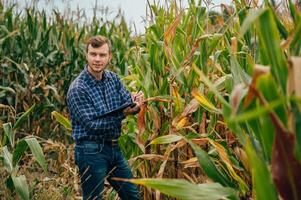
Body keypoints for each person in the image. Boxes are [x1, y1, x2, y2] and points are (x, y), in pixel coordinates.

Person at [67, 35, 143, 200]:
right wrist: (124, 113)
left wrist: (136, 104)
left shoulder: (113, 79)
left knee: (133, 196)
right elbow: (93, 126)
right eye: (93, 54)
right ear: (86, 55)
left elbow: (127, 104)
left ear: (109, 57)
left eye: (102, 55)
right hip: (90, 151)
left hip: (114, 149)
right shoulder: (78, 89)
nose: (97, 59)